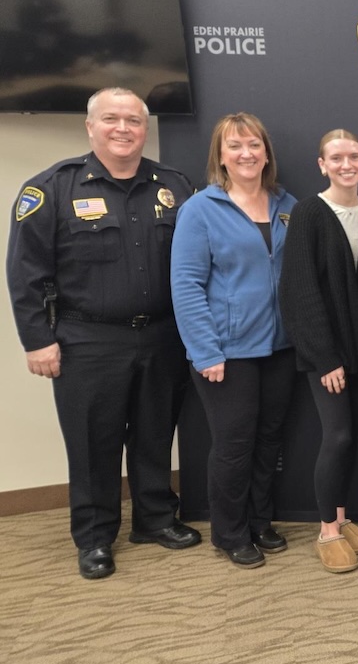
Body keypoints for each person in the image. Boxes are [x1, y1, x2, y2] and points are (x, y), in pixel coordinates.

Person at [5, 87, 201, 579]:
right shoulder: (52, 188)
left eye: (133, 120)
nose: (123, 129)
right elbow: (24, 271)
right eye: (111, 119)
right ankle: (94, 537)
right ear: (89, 127)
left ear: (145, 128)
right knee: (94, 441)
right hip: (87, 340)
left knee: (156, 433)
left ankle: (155, 518)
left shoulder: (176, 186)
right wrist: (36, 340)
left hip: (162, 335)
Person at [171, 112, 298, 570]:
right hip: (227, 352)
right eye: (235, 146)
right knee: (234, 445)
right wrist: (205, 351)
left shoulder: (287, 204)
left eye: (254, 145)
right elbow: (185, 285)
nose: (246, 154)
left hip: (281, 348)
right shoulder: (200, 209)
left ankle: (260, 520)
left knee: (269, 442)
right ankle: (229, 532)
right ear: (220, 157)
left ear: (267, 153)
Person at [279, 129, 358, 574]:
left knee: (352, 440)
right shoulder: (307, 213)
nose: (347, 164)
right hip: (326, 355)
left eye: (355, 156)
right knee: (337, 436)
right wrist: (326, 358)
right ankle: (326, 531)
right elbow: (299, 292)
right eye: (336, 158)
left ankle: (342, 518)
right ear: (322, 165)